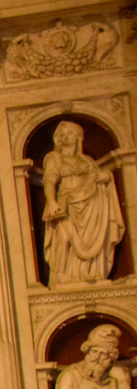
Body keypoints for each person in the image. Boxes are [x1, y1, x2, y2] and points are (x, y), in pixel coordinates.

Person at [42, 120, 125, 285]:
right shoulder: (54, 158)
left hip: (91, 203)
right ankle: (60, 274)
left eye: (69, 133)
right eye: (61, 134)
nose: (65, 137)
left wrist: (104, 176)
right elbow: (49, 180)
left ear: (79, 137)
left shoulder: (87, 160)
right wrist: (51, 201)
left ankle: (86, 272)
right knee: (64, 236)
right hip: (67, 204)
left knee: (89, 237)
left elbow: (100, 175)